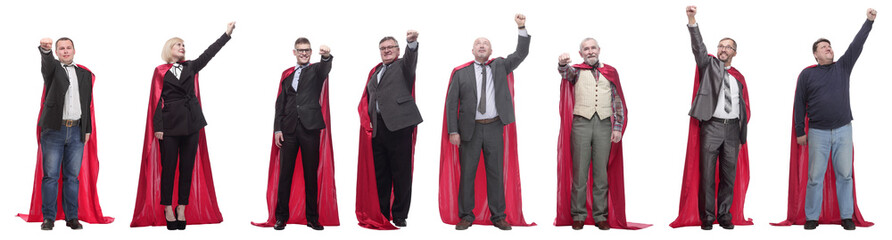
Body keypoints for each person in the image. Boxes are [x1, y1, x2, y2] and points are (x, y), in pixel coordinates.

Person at [131, 22, 234, 230]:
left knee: (187, 169)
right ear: (169, 49)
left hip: (191, 123)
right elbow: (155, 100)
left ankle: (182, 208)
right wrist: (158, 127)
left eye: (184, 45)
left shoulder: (191, 66)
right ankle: (167, 208)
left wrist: (226, 34)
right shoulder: (160, 71)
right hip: (168, 126)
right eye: (178, 45)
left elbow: (209, 53)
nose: (182, 47)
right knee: (168, 169)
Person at [443, 14, 530, 231]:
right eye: (478, 44)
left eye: (486, 44)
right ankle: (466, 216)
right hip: (468, 130)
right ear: (472, 50)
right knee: (467, 174)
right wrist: (453, 131)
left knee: (495, 173)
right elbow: (451, 104)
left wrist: (521, 27)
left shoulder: (500, 66)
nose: (482, 46)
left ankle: (498, 216)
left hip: (493, 126)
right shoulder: (460, 73)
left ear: (491, 51)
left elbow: (521, 53)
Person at [793, 8, 877, 231]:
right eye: (823, 47)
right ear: (815, 55)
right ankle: (812, 217)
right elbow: (799, 104)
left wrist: (868, 21)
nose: (828, 48)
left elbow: (857, 44)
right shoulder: (807, 75)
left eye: (829, 45)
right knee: (814, 177)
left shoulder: (843, 66)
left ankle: (846, 216)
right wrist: (800, 131)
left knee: (845, 175)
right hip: (817, 132)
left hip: (843, 130)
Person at [670, 6, 753, 230]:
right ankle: (707, 216)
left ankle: (724, 215)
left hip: (733, 130)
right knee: (707, 175)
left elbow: (744, 105)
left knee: (728, 176)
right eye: (721, 46)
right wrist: (692, 20)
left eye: (728, 47)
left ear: (735, 52)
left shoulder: (739, 77)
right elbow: (698, 47)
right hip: (712, 127)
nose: (723, 49)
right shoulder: (709, 66)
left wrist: (742, 125)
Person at [554, 38, 633, 230]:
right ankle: (578, 215)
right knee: (580, 172)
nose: (590, 52)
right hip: (581, 124)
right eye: (586, 49)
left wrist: (617, 127)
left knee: (601, 174)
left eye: (593, 48)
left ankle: (600, 216)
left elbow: (617, 102)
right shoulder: (577, 71)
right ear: (581, 53)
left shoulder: (610, 72)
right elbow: (565, 72)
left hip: (604, 125)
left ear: (599, 50)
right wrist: (562, 63)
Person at [355, 30, 420, 229]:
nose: (386, 51)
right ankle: (382, 212)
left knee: (401, 173)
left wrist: (412, 44)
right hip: (378, 128)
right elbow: (371, 98)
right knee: (380, 173)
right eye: (383, 48)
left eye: (390, 47)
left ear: (398, 50)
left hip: (399, 126)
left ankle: (400, 214)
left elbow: (411, 59)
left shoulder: (404, 66)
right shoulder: (375, 72)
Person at [270, 38, 333, 231]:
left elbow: (325, 68)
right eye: (300, 50)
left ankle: (312, 218)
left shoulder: (316, 70)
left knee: (310, 175)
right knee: (285, 175)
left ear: (311, 52)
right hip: (288, 130)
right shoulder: (287, 75)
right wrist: (277, 129)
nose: (304, 53)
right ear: (294, 52)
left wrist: (326, 56)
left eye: (307, 50)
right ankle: (281, 217)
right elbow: (280, 104)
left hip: (309, 128)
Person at [33, 37, 95, 230]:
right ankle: (49, 218)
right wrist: (45, 50)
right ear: (57, 52)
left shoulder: (84, 74)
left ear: (74, 51)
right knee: (50, 176)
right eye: (61, 49)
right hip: (54, 130)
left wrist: (87, 129)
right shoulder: (53, 70)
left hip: (76, 130)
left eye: (69, 48)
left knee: (72, 177)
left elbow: (87, 104)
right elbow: (47, 62)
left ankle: (72, 217)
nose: (65, 51)